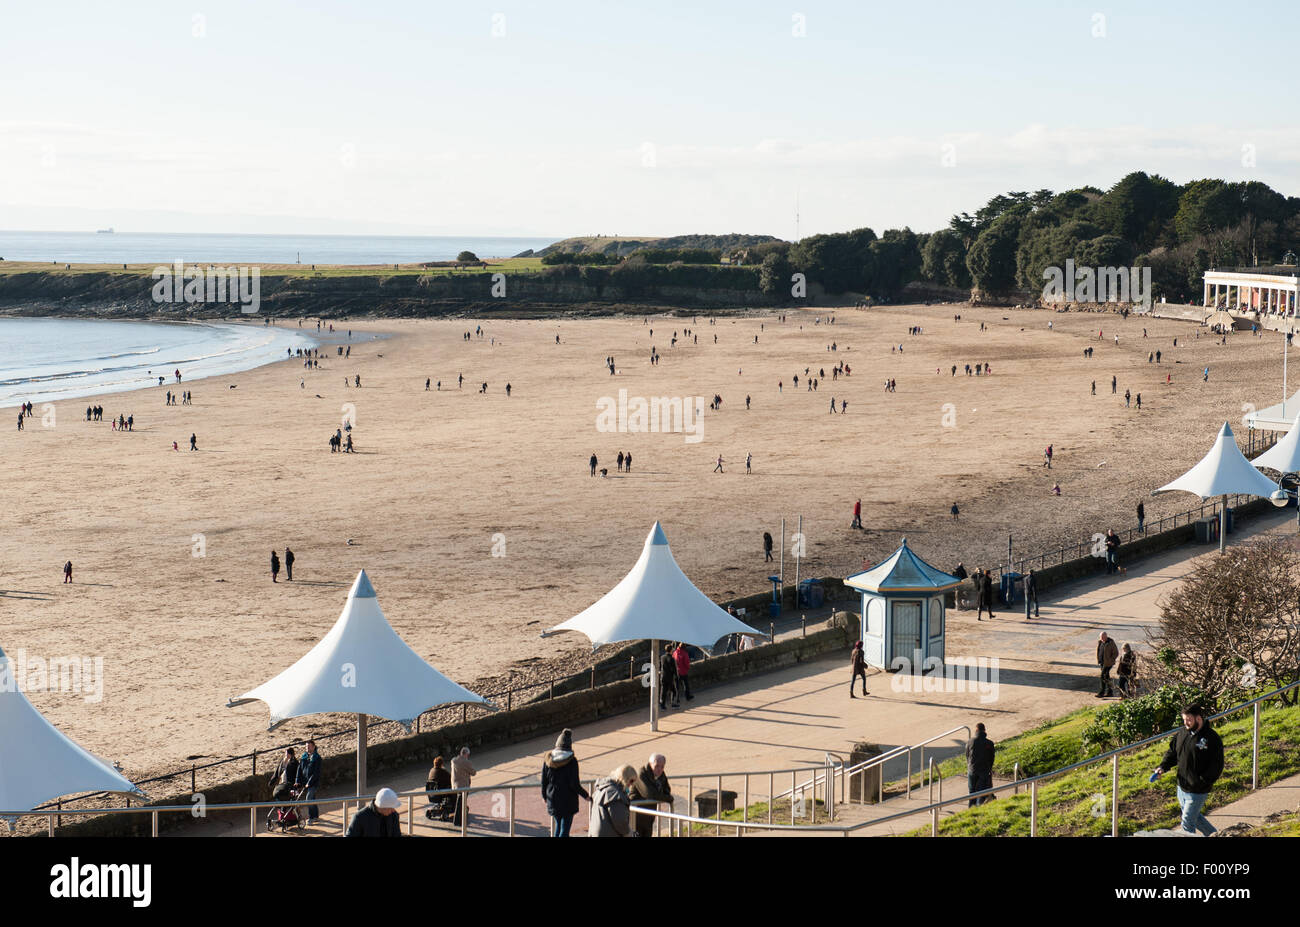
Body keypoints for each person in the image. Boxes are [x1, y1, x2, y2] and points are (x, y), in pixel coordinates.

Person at [1151, 704, 1224, 836]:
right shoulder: (1182, 733)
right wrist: (1162, 767)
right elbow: (1172, 753)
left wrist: (1203, 781)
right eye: (1184, 719)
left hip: (1198, 790)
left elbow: (1217, 765)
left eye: (1188, 719)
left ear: (1199, 719)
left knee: (1187, 822)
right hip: (1182, 787)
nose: (1185, 723)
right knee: (1195, 818)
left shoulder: (1211, 738)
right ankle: (1215, 835)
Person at [541, 729, 590, 837]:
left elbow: (544, 780)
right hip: (568, 800)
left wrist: (544, 795)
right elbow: (574, 784)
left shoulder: (548, 760)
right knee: (565, 829)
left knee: (558, 826)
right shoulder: (572, 761)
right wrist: (586, 795)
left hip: (552, 798)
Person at [629, 754, 672, 838]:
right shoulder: (641, 773)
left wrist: (664, 796)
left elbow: (667, 791)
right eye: (657, 766)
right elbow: (649, 794)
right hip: (635, 818)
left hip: (649, 818)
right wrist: (667, 798)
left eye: (662, 767)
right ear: (650, 764)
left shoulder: (661, 775)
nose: (660, 769)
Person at [588, 764, 637, 837]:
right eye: (631, 781)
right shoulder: (615, 794)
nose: (631, 784)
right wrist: (629, 832)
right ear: (625, 778)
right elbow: (619, 821)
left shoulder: (602, 788)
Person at [266, 747, 299, 828]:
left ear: (291, 754)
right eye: (285, 753)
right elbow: (277, 772)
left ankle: (290, 817)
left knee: (288, 799)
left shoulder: (295, 763)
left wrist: (297, 783)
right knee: (279, 796)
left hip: (290, 785)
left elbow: (297, 774)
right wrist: (272, 781)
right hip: (282, 784)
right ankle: (282, 814)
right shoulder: (282, 762)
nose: (286, 755)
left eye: (287, 753)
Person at [965, 723, 996, 807]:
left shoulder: (970, 741)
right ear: (984, 730)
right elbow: (992, 758)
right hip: (984, 770)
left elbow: (967, 755)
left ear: (976, 730)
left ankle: (971, 809)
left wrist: (970, 765)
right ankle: (979, 808)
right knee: (982, 791)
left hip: (972, 769)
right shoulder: (989, 743)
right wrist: (989, 768)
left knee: (972, 791)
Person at [295, 740, 322, 823]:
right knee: (312, 799)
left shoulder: (317, 758)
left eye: (309, 746)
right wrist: (297, 781)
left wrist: (309, 783)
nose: (307, 748)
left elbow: (316, 773)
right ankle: (316, 816)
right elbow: (299, 770)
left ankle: (311, 817)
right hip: (305, 781)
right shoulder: (304, 757)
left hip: (313, 783)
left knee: (309, 798)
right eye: (306, 746)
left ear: (314, 747)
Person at [451, 746, 476, 827]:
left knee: (460, 802)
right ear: (466, 754)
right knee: (461, 803)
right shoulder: (466, 762)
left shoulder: (454, 760)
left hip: (455, 785)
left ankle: (459, 819)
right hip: (464, 786)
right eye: (468, 755)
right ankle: (458, 821)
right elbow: (473, 773)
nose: (468, 756)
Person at [1096, 631, 1119, 697]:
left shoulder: (1111, 643)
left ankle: (1101, 692)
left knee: (1102, 676)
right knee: (1106, 677)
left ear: (1106, 636)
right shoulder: (1100, 642)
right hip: (1102, 662)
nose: (1102, 639)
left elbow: (1116, 653)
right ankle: (1110, 692)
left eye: (1103, 637)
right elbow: (1099, 651)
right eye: (1101, 637)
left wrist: (1111, 660)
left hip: (1108, 663)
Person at [659, 643, 679, 710]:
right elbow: (674, 669)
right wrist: (676, 676)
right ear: (671, 650)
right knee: (673, 691)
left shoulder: (662, 657)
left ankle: (662, 705)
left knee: (663, 691)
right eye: (672, 649)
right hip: (669, 678)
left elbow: (661, 666)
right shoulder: (672, 659)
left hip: (663, 676)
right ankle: (673, 704)